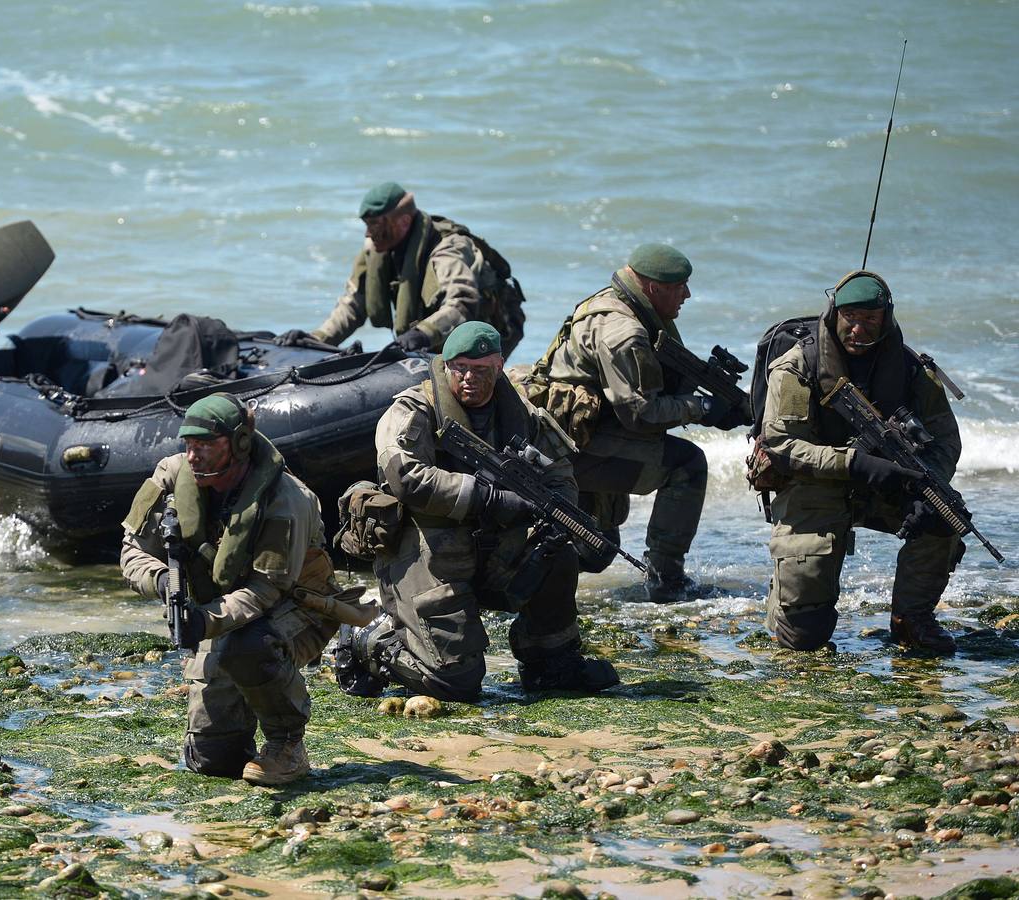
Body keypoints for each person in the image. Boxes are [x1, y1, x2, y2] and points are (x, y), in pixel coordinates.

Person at [331, 321, 619, 702]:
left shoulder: (522, 415)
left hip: (495, 549)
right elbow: (407, 478)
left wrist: (551, 512)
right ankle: (371, 640)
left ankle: (550, 662)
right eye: (460, 368)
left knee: (557, 553)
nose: (469, 378)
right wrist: (491, 499)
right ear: (445, 365)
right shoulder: (413, 410)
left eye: (480, 370)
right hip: (427, 554)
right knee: (456, 683)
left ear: (499, 366)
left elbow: (559, 473)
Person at [120, 393, 340, 784]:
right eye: (189, 445)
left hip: (296, 607)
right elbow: (130, 551)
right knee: (213, 762)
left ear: (239, 443)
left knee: (249, 645)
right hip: (217, 611)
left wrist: (204, 622)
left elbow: (265, 590)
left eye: (205, 446)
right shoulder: (170, 476)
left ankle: (287, 744)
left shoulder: (285, 499)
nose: (193, 456)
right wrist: (161, 580)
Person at [523, 243, 746, 603]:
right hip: (568, 445)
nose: (687, 295)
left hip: (574, 434)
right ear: (653, 287)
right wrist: (703, 408)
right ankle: (666, 580)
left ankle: (533, 576)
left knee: (599, 548)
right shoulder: (623, 332)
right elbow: (640, 414)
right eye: (680, 287)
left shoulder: (616, 303)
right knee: (687, 465)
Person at [759, 271, 962, 655]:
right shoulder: (797, 366)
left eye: (870, 319)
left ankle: (912, 619)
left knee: (943, 515)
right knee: (804, 638)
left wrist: (924, 484)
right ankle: (785, 596)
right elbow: (783, 445)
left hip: (888, 481)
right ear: (835, 313)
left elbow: (946, 440)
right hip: (812, 483)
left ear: (886, 320)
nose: (858, 328)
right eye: (850, 316)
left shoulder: (912, 369)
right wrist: (854, 463)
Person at [275, 182, 525, 356]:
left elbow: (462, 303)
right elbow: (353, 304)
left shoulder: (447, 249)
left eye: (374, 224)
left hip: (491, 330)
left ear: (403, 221)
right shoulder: (378, 249)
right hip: (434, 335)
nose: (368, 232)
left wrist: (421, 334)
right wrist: (317, 339)